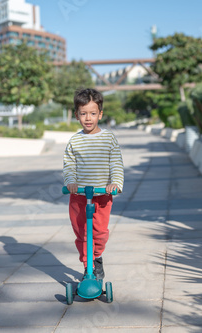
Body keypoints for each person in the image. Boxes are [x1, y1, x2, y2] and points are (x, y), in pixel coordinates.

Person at [63, 88, 124, 280]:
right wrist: (71, 182)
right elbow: (69, 165)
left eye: (92, 113)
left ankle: (96, 258)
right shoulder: (74, 141)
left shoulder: (108, 138)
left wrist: (115, 183)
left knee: (99, 233)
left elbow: (116, 163)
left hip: (101, 196)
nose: (88, 118)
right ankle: (87, 267)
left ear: (100, 114)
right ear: (76, 115)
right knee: (81, 232)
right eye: (83, 114)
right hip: (79, 196)